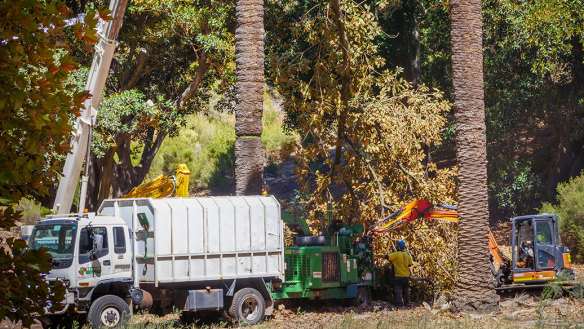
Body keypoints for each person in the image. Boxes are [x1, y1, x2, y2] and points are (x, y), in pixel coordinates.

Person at [387, 240, 413, 307]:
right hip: (406, 276)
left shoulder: (396, 254)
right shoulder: (407, 255)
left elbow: (387, 257)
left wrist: (377, 256)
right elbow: (410, 264)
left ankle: (399, 304)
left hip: (399, 276)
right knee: (406, 290)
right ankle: (407, 303)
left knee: (398, 290)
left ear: (397, 247)